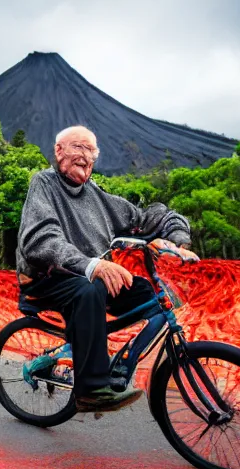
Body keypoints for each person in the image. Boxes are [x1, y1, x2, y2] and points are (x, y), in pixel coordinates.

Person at [16, 126, 198, 412]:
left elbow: (147, 218)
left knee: (148, 293)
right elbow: (40, 239)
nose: (85, 156)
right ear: (58, 151)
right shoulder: (44, 184)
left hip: (93, 279)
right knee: (89, 289)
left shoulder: (97, 196)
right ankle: (91, 390)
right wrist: (91, 265)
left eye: (91, 151)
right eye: (78, 147)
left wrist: (176, 238)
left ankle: (114, 361)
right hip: (47, 279)